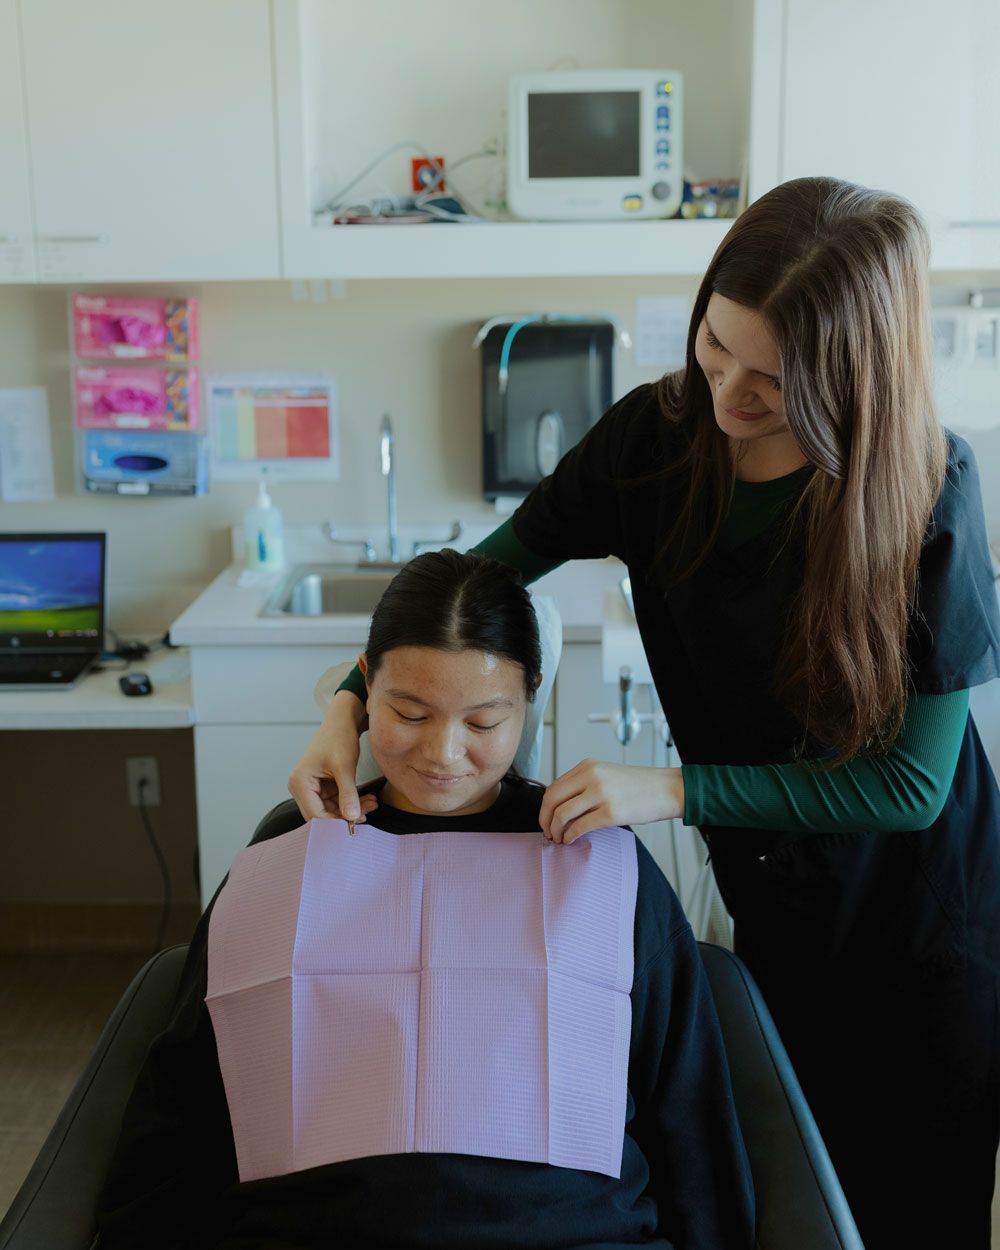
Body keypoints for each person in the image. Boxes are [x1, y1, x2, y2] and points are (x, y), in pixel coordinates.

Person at [289, 176, 1000, 1250]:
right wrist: (352, 701)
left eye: (775, 380)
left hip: (928, 932)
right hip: (773, 899)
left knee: (903, 1209)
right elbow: (480, 581)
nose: (729, 394)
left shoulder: (927, 490)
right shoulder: (653, 442)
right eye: (718, 345)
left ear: (851, 380)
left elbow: (909, 784)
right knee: (786, 1186)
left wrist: (668, 788)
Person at [97, 550, 755, 1250]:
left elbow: (688, 1115)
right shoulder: (289, 857)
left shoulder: (599, 864)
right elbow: (182, 1113)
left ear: (530, 695)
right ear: (363, 689)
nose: (443, 754)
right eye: (409, 712)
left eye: (482, 723)